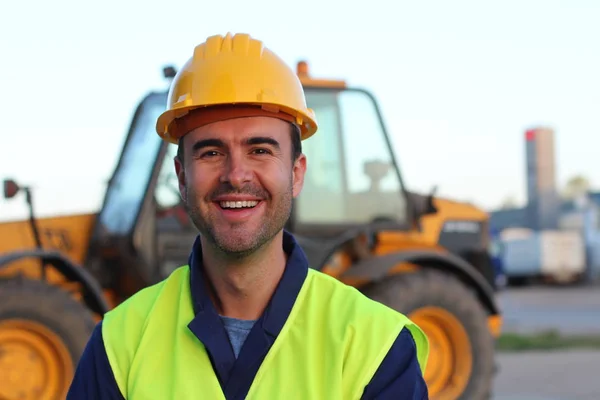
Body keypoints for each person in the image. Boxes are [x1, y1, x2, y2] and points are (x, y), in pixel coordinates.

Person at [67, 32, 430, 400]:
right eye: (211, 152)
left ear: (296, 173)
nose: (236, 175)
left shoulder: (376, 347)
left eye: (259, 150)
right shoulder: (119, 344)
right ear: (181, 177)